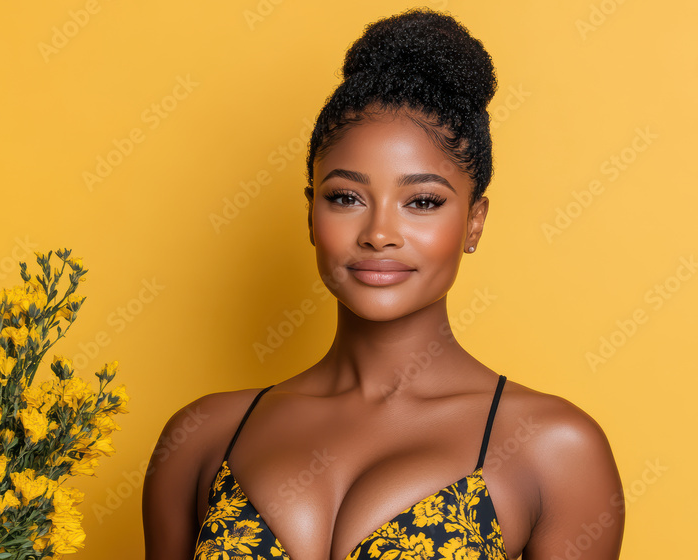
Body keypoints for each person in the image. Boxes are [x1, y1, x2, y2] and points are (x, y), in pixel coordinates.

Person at [143, 7, 624, 560]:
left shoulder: (555, 449)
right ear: (310, 216)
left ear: (474, 221)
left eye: (422, 202)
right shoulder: (201, 438)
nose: (378, 234)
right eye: (346, 198)